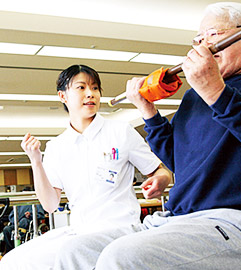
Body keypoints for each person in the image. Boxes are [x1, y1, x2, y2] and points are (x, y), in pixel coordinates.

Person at [96, 2, 241, 270]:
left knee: (122, 257)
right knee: (72, 254)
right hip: (177, 220)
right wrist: (147, 110)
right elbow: (178, 160)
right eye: (199, 39)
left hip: (237, 223)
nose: (203, 46)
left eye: (213, 35)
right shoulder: (194, 96)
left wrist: (215, 91)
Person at [0, 64, 171, 269]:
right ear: (63, 96)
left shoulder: (120, 131)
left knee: (72, 255)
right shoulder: (56, 147)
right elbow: (50, 205)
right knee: (13, 261)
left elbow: (161, 171)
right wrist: (36, 161)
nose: (90, 94)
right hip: (80, 231)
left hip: (122, 229)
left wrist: (161, 179)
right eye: (81, 88)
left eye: (95, 88)